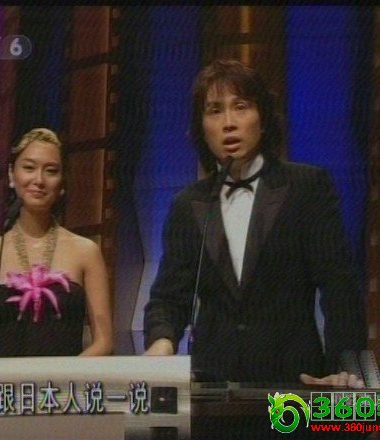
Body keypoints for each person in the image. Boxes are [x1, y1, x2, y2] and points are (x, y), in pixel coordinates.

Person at [144, 60, 366, 388]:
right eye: (215, 111)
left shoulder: (307, 187)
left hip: (293, 384)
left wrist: (346, 367)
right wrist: (161, 344)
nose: (229, 123)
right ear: (201, 129)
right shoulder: (186, 205)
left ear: (262, 120)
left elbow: (339, 288)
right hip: (214, 389)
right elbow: (169, 297)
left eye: (241, 107)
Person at [0, 128, 113, 367]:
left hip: (63, 386)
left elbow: (104, 342)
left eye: (51, 171)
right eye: (29, 168)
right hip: (2, 388)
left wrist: (61, 377)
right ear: (11, 175)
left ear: (62, 182)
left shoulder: (86, 252)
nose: (39, 180)